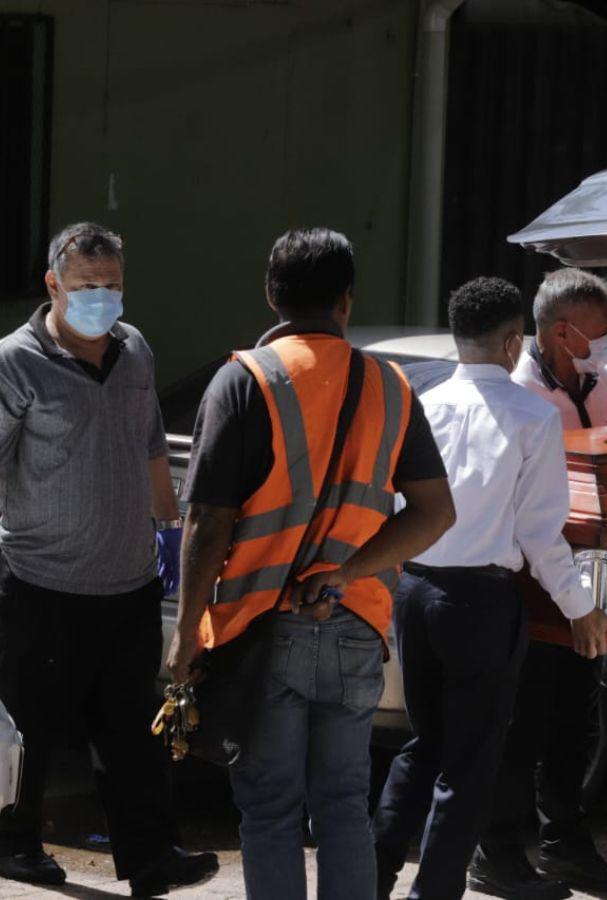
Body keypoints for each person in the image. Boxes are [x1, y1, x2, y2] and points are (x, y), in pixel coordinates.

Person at [167, 228, 455, 900]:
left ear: (272, 295)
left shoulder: (244, 380)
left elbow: (207, 523)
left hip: (262, 629)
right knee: (344, 808)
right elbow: (435, 513)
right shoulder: (392, 386)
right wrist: (349, 573)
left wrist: (186, 632)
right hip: (355, 622)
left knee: (269, 811)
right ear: (347, 302)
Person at [372, 276, 607, 900]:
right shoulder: (531, 416)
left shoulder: (421, 403)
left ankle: (367, 880)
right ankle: (435, 892)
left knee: (424, 746)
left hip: (415, 593)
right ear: (515, 343)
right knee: (470, 762)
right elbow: (541, 537)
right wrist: (582, 610)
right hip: (478, 603)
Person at [0, 222, 218, 895]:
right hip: (41, 579)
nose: (101, 297)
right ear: (53, 284)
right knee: (31, 728)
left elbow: (153, 444)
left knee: (129, 728)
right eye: (87, 286)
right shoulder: (15, 361)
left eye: (112, 286)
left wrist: (169, 529)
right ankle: (15, 847)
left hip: (127, 580)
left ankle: (151, 860)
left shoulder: (136, 349)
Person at [471, 268, 607, 899]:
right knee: (522, 722)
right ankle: (497, 852)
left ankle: (566, 844)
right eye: (601, 331)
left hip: (587, 577)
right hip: (524, 578)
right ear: (561, 332)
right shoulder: (516, 394)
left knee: (576, 719)